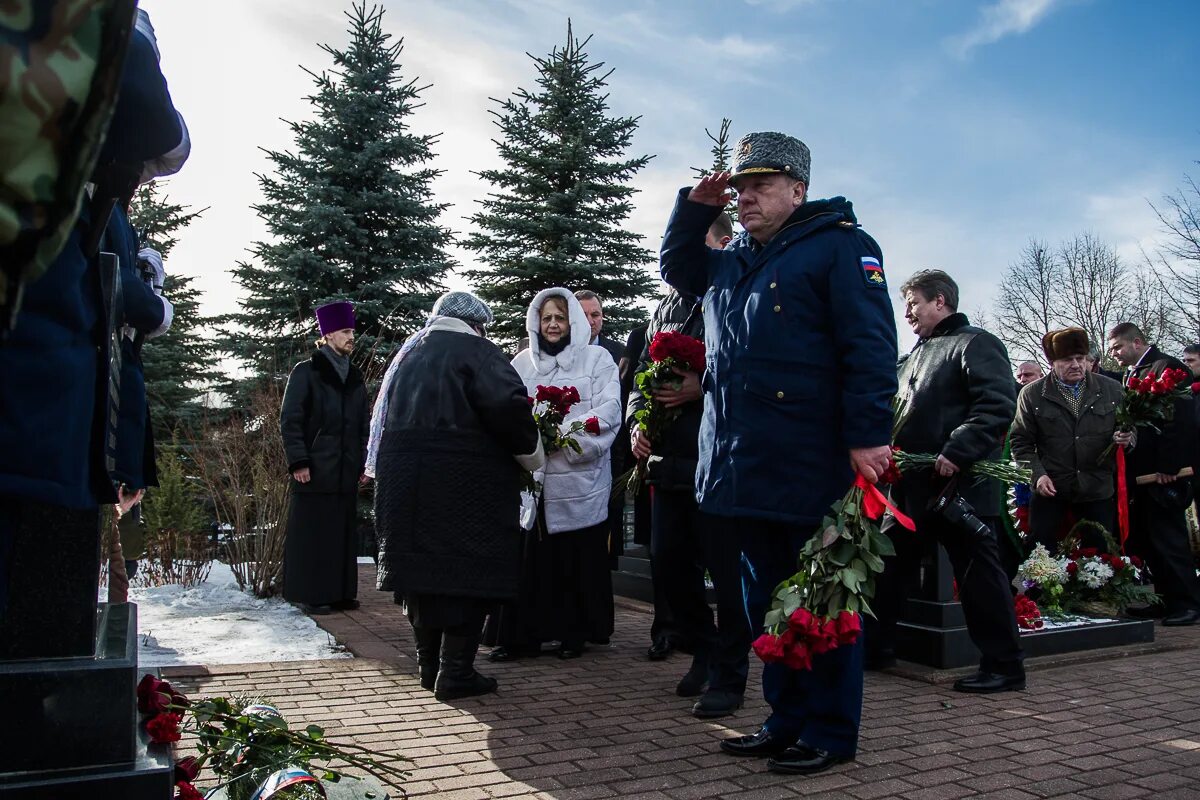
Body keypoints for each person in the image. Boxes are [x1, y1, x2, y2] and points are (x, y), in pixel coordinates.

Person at [660, 131, 897, 776]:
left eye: (760, 186)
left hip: (810, 459)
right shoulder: (732, 258)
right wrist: (695, 209)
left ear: (799, 190)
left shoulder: (841, 248)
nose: (745, 198)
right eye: (740, 188)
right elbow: (678, 270)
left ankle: (829, 728)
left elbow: (871, 348)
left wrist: (868, 436)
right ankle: (784, 718)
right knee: (767, 602)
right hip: (739, 462)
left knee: (822, 600)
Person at [0, 8, 186, 657]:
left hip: (71, 426)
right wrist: (155, 309)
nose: (138, 178)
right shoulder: (74, 198)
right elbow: (149, 111)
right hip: (43, 415)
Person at [370, 291, 543, 700]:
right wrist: (532, 454)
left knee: (421, 577)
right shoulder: (478, 352)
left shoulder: (407, 357)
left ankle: (428, 666)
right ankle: (456, 672)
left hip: (403, 481)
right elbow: (509, 408)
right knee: (467, 574)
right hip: (463, 481)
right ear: (478, 324)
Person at [871, 269, 1025, 694]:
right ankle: (877, 647)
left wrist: (957, 451)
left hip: (961, 489)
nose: (908, 313)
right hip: (909, 488)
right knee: (885, 568)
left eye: (913, 304)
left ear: (940, 301)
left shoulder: (977, 343)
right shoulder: (910, 358)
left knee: (979, 579)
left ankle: (1005, 666)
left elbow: (996, 404)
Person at [630, 213, 750, 718]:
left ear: (721, 244)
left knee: (725, 573)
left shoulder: (734, 290)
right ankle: (704, 646)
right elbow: (642, 372)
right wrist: (640, 420)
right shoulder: (663, 306)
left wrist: (701, 389)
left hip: (716, 455)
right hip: (667, 456)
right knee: (671, 566)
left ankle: (730, 672)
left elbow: (746, 363)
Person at [489, 288, 621, 660]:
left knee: (574, 560)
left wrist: (563, 435)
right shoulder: (522, 363)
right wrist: (530, 438)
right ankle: (521, 637)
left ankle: (572, 634)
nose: (552, 324)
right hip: (535, 482)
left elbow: (609, 411)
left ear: (572, 322)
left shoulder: (598, 360)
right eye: (546, 317)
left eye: (559, 318)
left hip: (579, 481)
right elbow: (507, 410)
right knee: (532, 562)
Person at [279, 301, 369, 615]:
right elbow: (290, 419)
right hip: (315, 468)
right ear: (328, 334)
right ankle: (313, 594)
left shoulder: (355, 377)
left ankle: (341, 592)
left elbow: (362, 425)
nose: (351, 337)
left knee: (342, 534)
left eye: (352, 331)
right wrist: (299, 461)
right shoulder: (306, 371)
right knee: (314, 534)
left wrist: (363, 463)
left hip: (345, 469)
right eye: (345, 331)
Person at [1107, 323, 1200, 625]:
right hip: (1142, 473)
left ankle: (1188, 604)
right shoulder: (1132, 373)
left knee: (1170, 540)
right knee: (1152, 541)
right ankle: (1164, 599)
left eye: (1118, 348)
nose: (1115, 354)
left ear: (1136, 342)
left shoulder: (1168, 368)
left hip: (1164, 474)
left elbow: (1180, 420)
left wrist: (1168, 467)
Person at [1009, 328, 1130, 553]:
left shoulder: (1112, 390)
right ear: (1052, 362)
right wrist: (1037, 475)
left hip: (1097, 489)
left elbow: (1130, 428)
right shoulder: (1032, 394)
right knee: (1041, 559)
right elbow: (1020, 442)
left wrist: (1127, 438)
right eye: (1067, 360)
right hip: (1051, 488)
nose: (1076, 365)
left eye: (1081, 358)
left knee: (1101, 560)